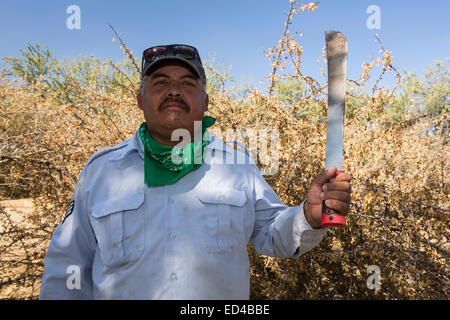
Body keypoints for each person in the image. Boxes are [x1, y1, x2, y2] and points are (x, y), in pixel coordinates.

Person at [39, 44, 352, 299]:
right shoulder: (101, 171)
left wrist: (307, 217)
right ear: (140, 100)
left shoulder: (237, 165)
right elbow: (68, 267)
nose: (174, 91)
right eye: (160, 82)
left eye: (188, 84)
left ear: (205, 101)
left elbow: (273, 234)